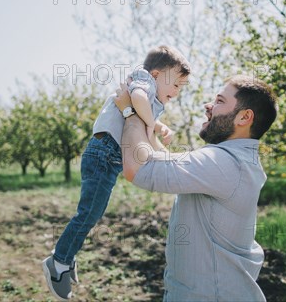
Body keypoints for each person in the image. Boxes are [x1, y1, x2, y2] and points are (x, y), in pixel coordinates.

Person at [42, 46, 191, 300]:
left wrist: (160, 141)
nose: (177, 92)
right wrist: (154, 127)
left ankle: (68, 255)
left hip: (109, 159)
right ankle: (58, 264)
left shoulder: (151, 100)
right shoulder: (143, 78)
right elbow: (138, 102)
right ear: (156, 74)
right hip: (103, 152)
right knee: (88, 212)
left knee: (93, 213)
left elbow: (144, 136)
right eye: (175, 84)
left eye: (181, 87)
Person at [115, 74, 278, 301]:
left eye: (220, 101)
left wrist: (129, 113)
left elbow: (137, 168)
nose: (208, 106)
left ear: (244, 117)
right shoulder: (234, 160)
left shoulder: (223, 162)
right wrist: (148, 124)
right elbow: (167, 163)